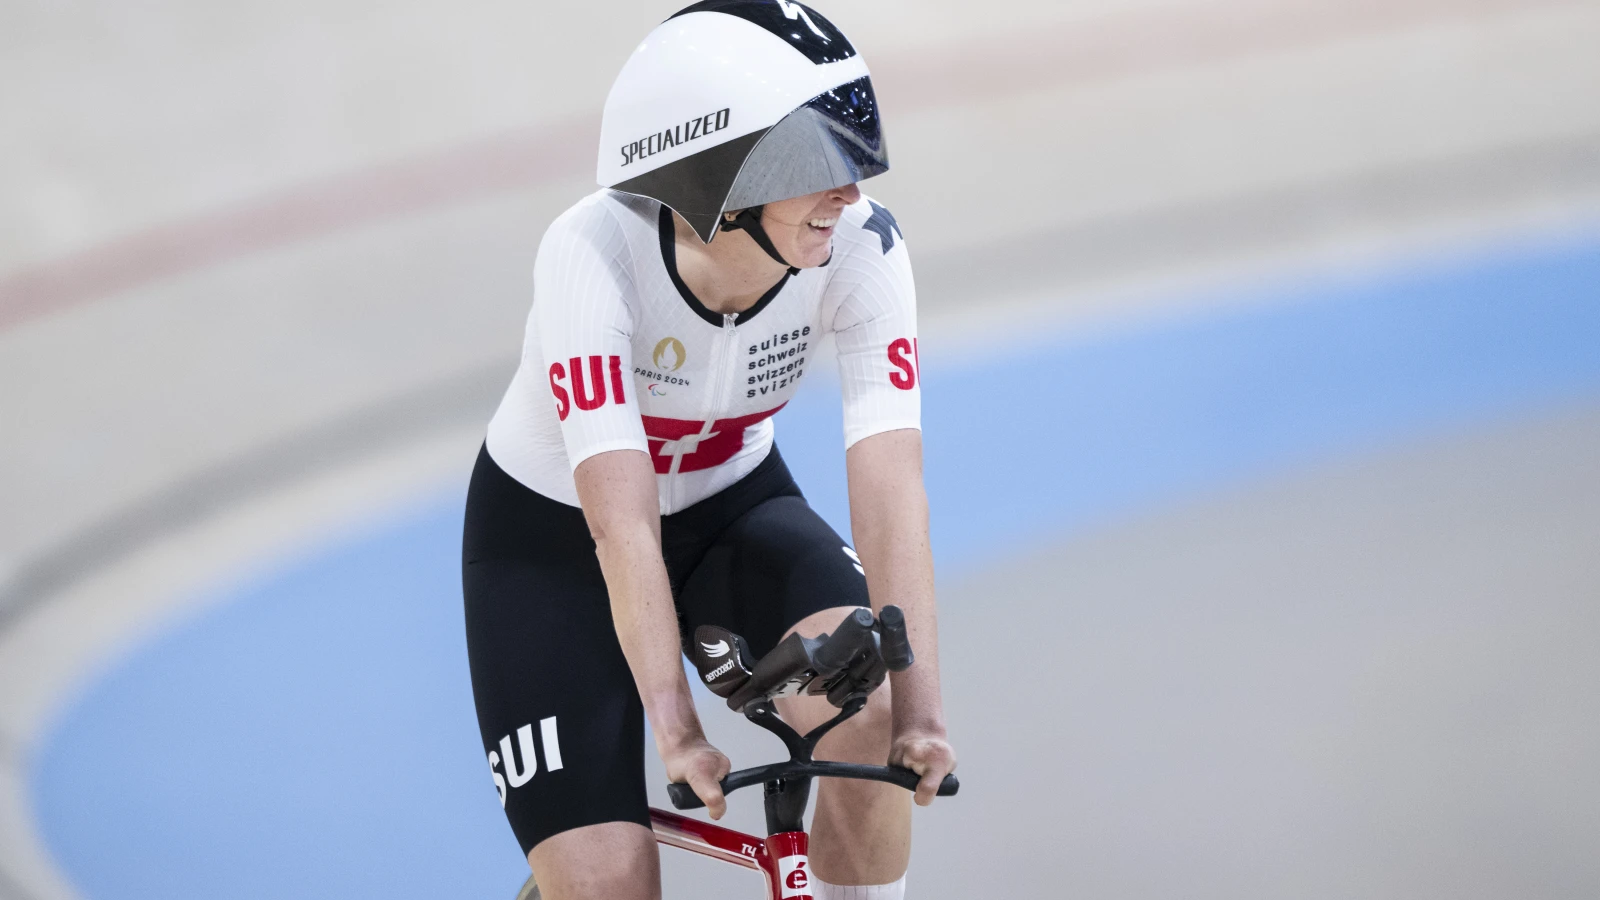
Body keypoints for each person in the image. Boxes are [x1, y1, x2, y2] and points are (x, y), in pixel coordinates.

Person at [462, 3, 955, 898]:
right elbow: (621, 531)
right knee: (610, 877)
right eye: (816, 162)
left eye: (855, 154)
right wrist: (675, 724)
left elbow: (891, 486)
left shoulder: (865, 247)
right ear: (710, 179)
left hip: (735, 506)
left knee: (869, 721)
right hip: (555, 543)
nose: (850, 192)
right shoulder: (590, 255)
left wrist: (920, 714)